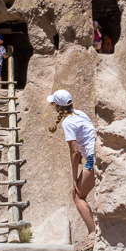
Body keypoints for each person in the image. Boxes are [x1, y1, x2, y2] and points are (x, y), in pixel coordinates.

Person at [47, 89, 96, 233]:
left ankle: (94, 234)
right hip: (99, 152)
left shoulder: (67, 123)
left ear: (56, 105)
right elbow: (87, 136)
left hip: (93, 158)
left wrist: (74, 178)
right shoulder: (81, 113)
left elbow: (74, 152)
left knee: (77, 196)